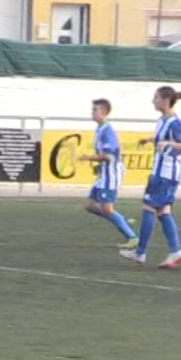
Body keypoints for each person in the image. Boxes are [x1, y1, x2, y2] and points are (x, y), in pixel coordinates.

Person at [120, 86, 181, 269]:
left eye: (156, 98)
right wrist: (149, 139)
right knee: (163, 211)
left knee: (148, 207)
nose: (153, 101)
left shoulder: (174, 122)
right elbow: (162, 138)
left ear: (166, 100)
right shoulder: (162, 120)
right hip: (165, 174)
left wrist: (169, 142)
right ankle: (175, 251)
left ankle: (140, 252)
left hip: (164, 174)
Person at [76, 99, 137, 249]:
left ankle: (132, 237)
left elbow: (109, 155)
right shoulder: (99, 129)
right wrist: (97, 166)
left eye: (95, 110)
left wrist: (88, 158)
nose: (92, 112)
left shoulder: (107, 130)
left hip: (111, 174)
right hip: (104, 173)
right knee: (90, 205)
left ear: (103, 112)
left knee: (107, 209)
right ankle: (120, 219)